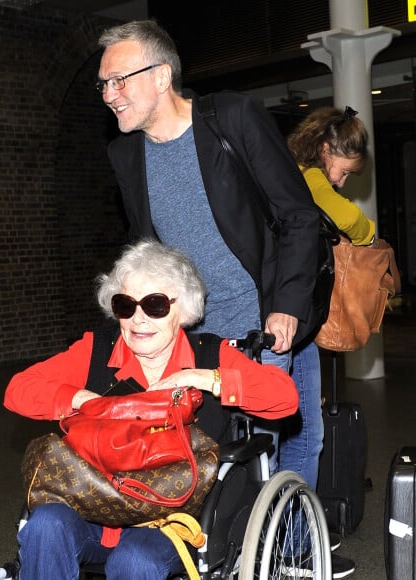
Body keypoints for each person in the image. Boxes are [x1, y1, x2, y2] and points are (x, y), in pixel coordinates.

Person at [96, 20, 355, 578]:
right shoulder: (126, 155)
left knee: (276, 435)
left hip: (261, 316)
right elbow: (147, 249)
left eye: (119, 80)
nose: (110, 94)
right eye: (104, 85)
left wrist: (284, 304)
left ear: (162, 75)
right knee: (199, 444)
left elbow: (297, 215)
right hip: (188, 330)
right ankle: (212, 543)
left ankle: (288, 548)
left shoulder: (230, 119)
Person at [4, 239, 299, 580]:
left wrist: (203, 378)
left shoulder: (211, 356)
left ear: (183, 310)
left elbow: (285, 397)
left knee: (135, 560)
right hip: (95, 507)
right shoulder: (95, 352)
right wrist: (79, 398)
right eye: (125, 305)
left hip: (174, 518)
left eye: (155, 305)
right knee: (44, 525)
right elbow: (18, 390)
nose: (138, 319)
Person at [287, 105, 376, 245]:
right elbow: (350, 217)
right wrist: (369, 237)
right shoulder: (310, 175)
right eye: (344, 172)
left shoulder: (293, 169)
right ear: (326, 149)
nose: (341, 183)